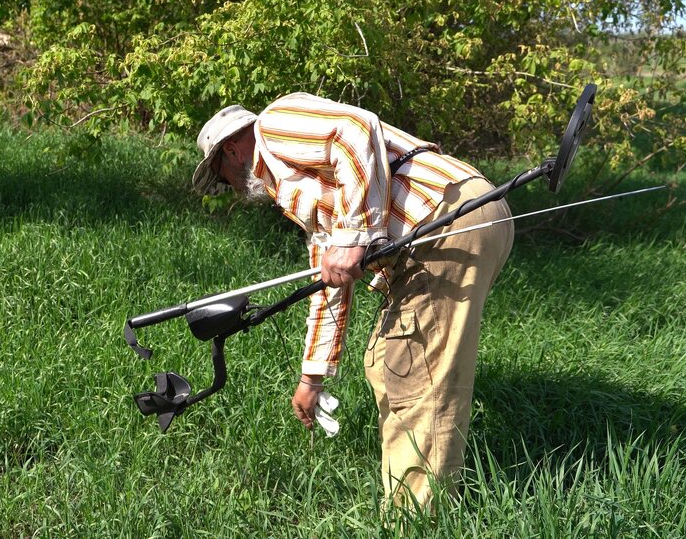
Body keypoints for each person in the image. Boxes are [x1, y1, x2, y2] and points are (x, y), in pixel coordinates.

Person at [192, 92, 514, 511]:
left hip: (444, 219)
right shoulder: (301, 190)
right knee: (387, 362)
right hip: (461, 217)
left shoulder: (274, 125)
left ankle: (414, 521)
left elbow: (356, 127)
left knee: (414, 378)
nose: (231, 188)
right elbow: (329, 284)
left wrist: (352, 236)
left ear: (232, 150)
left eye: (222, 177)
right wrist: (312, 377)